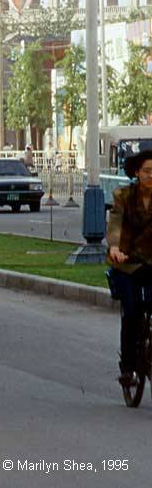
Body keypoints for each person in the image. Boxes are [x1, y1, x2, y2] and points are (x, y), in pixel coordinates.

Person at [107, 151, 152, 388]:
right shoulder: (124, 196)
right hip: (129, 262)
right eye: (147, 171)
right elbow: (115, 222)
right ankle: (128, 367)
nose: (151, 176)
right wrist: (115, 247)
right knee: (132, 310)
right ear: (136, 172)